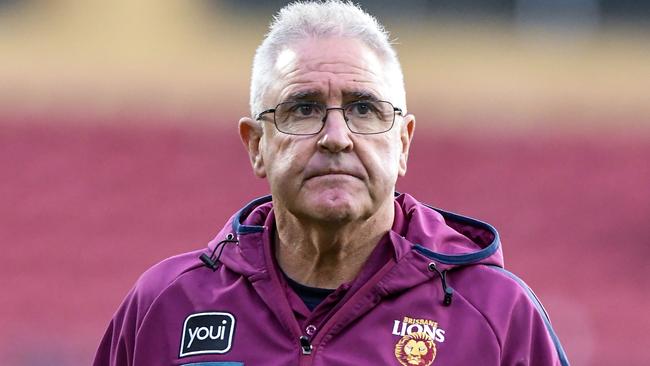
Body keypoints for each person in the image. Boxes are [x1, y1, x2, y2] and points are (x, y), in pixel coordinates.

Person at [94, 1, 569, 365]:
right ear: (256, 144)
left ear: (402, 143)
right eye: (304, 109)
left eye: (364, 109)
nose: (336, 138)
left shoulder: (497, 315)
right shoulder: (166, 306)